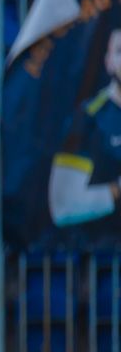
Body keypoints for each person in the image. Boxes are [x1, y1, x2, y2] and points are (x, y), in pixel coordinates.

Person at [48, 27, 121, 227]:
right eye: (120, 51)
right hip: (101, 242)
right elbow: (63, 207)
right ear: (108, 62)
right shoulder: (88, 118)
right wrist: (116, 190)